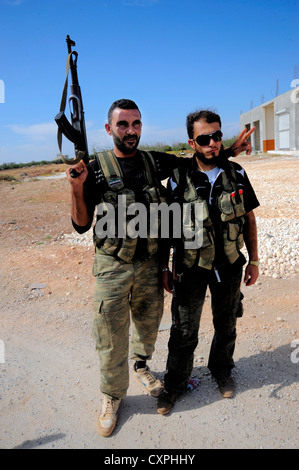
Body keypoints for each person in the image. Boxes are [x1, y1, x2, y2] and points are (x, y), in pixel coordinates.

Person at [66, 99, 254, 436]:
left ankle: (141, 365)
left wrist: (231, 150)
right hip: (113, 265)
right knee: (111, 333)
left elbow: (198, 160)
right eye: (123, 125)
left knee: (149, 325)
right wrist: (77, 187)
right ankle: (112, 395)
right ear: (109, 129)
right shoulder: (95, 168)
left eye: (136, 124)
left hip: (151, 264)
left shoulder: (155, 162)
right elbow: (81, 225)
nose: (131, 131)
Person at [157, 109, 259, 415]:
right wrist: (165, 266)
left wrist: (254, 260)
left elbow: (249, 218)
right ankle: (174, 384)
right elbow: (167, 227)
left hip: (229, 265)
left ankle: (222, 370)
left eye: (217, 135)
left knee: (226, 324)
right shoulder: (178, 179)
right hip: (190, 268)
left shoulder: (237, 174)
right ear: (193, 142)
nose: (213, 142)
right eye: (205, 138)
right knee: (183, 330)